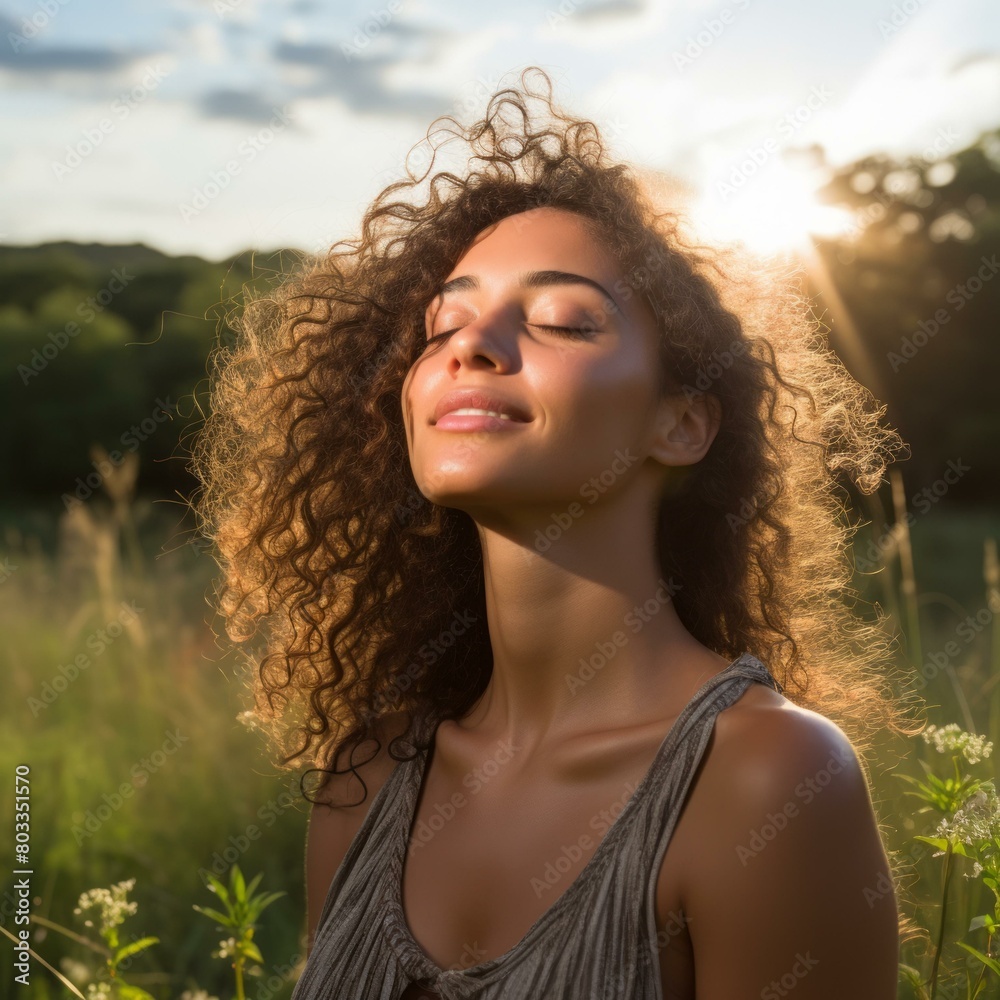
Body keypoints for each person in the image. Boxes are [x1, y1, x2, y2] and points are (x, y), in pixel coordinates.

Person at [189, 66, 919, 998]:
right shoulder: (366, 780)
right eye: (443, 322)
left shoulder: (765, 781)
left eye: (564, 320)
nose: (470, 344)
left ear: (682, 424)